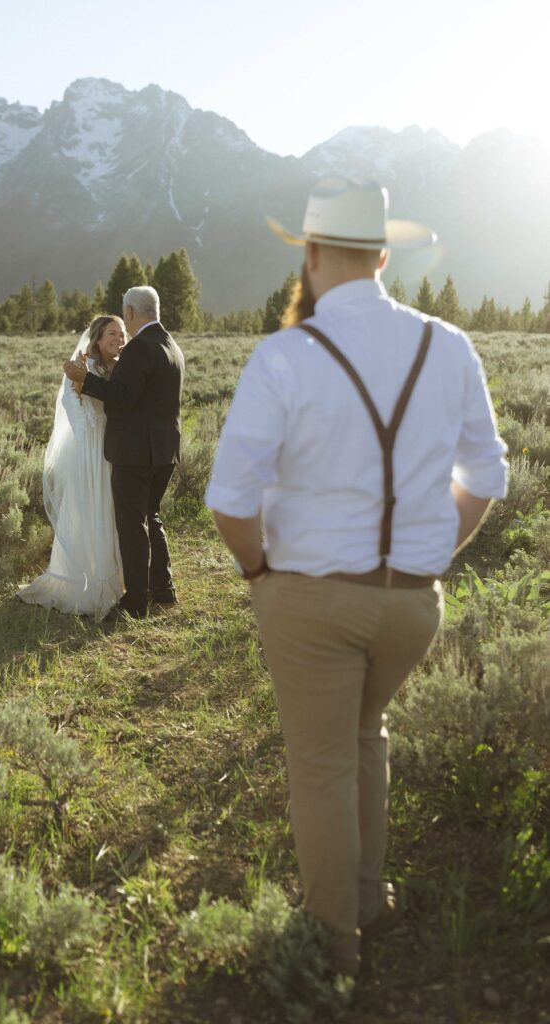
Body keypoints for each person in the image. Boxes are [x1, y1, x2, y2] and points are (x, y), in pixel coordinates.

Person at [205, 177, 508, 977]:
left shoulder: (284, 356)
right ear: (381, 256)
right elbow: (486, 473)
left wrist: (257, 571)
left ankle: (332, 944)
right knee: (365, 734)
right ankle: (369, 895)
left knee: (320, 764)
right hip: (412, 603)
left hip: (310, 597)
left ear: (308, 257)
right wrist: (435, 550)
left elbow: (229, 500)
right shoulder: (448, 345)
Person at [64, 286, 185, 619]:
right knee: (151, 517)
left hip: (135, 453)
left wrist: (83, 379)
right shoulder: (171, 345)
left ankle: (136, 601)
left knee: (132, 527)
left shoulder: (140, 348)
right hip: (164, 450)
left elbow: (123, 396)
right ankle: (163, 589)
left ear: (131, 312)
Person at [18, 315, 126, 621]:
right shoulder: (83, 367)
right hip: (92, 449)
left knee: (111, 511)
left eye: (122, 333)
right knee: (91, 509)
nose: (119, 338)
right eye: (112, 333)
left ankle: (116, 579)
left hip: (113, 447)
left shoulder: (118, 367)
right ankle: (90, 584)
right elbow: (72, 406)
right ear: (96, 338)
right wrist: (90, 433)